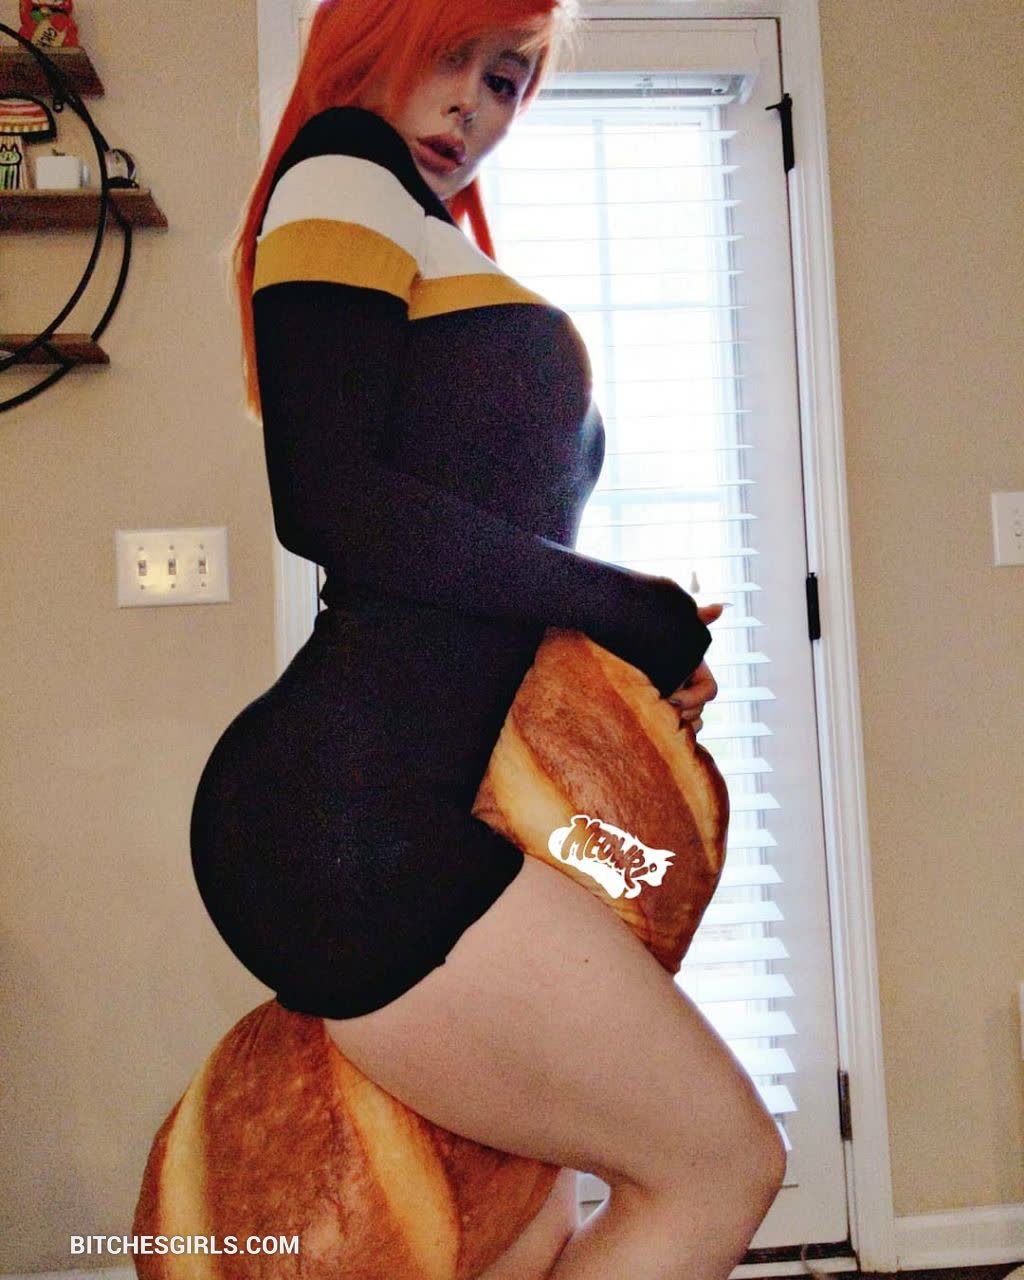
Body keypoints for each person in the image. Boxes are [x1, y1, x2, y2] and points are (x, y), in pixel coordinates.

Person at [191, 1, 786, 1276]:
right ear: (370, 38)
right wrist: (621, 604)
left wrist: (624, 654)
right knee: (720, 1162)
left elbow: (464, 563)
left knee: (520, 1234)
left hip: (398, 809)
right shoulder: (342, 162)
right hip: (350, 823)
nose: (473, 102)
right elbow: (329, 501)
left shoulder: (417, 230)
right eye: (449, 54)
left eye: (508, 78)